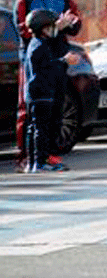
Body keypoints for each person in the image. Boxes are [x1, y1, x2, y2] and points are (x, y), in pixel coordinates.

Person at [13, 0, 81, 172]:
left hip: (59, 57)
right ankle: (28, 157)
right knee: (30, 110)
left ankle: (50, 154)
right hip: (35, 61)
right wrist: (54, 26)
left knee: (56, 106)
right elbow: (25, 31)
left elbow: (76, 24)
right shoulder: (24, 2)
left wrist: (70, 23)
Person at [23, 10, 77, 172]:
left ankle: (34, 162)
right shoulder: (39, 46)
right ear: (43, 29)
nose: (54, 30)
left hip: (39, 93)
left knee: (37, 128)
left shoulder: (38, 44)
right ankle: (40, 162)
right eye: (51, 27)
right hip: (41, 94)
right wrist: (64, 61)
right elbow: (46, 68)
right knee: (41, 129)